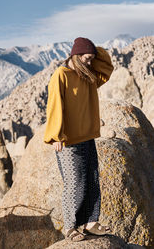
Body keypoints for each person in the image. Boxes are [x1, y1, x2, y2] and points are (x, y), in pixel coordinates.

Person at [43, 37, 114, 242]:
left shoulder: (89, 75)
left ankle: (90, 222)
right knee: (75, 183)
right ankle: (71, 227)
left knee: (92, 180)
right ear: (75, 56)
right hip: (67, 141)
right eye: (87, 58)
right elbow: (55, 104)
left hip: (87, 136)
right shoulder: (61, 75)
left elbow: (107, 67)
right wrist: (56, 135)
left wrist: (93, 51)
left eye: (92, 59)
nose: (91, 63)